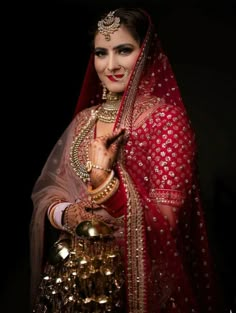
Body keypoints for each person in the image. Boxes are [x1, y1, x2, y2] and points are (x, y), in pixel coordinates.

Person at [30, 7, 227, 313]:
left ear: (145, 53)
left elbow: (167, 221)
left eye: (123, 50)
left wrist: (103, 180)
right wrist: (67, 214)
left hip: (142, 286)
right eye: (101, 53)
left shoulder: (165, 119)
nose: (111, 65)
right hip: (74, 283)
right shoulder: (84, 121)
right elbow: (49, 191)